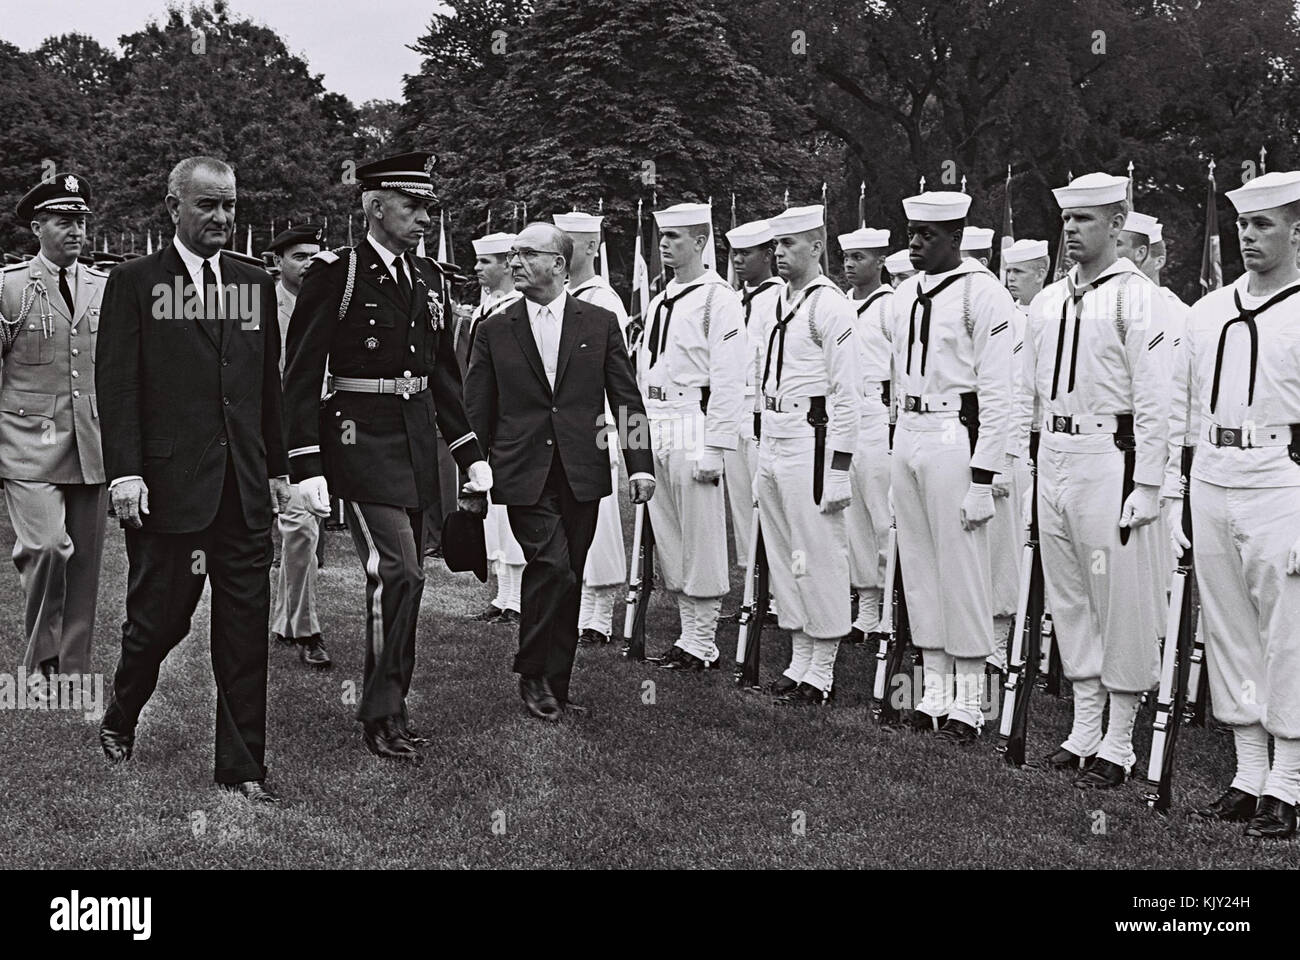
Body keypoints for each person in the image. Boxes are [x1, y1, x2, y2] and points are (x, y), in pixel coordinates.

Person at [283, 152, 492, 763]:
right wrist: (307, 464)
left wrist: (469, 452)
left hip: (413, 443)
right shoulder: (337, 275)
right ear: (374, 206)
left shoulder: (430, 279)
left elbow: (444, 376)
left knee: (412, 577)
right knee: (398, 570)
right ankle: (380, 712)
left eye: (427, 206)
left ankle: (392, 706)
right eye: (412, 205)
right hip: (357, 441)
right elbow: (299, 377)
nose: (425, 217)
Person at [96, 156, 289, 803]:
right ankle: (122, 715)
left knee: (242, 631)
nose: (222, 218)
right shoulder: (135, 282)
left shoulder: (253, 282)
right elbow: (117, 386)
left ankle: (242, 768)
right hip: (171, 492)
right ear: (173, 206)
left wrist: (281, 472)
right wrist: (125, 471)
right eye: (208, 205)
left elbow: (267, 389)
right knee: (158, 624)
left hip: (242, 493)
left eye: (230, 205)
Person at [463, 222, 654, 720]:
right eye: (514, 254)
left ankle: (557, 684)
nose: (516, 262)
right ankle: (532, 671)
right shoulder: (495, 329)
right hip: (521, 470)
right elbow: (477, 408)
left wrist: (640, 466)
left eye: (528, 254)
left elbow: (627, 400)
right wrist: (471, 472)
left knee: (571, 575)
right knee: (553, 565)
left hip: (581, 470)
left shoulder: (598, 322)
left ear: (560, 265)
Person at [1016, 172, 1170, 787]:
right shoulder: (1049, 300)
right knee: (1070, 594)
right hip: (1054, 450)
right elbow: (1026, 388)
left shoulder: (1139, 298)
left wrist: (1150, 483)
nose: (1073, 231)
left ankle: (1121, 740)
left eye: (1085, 220)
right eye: (1067, 220)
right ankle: (1083, 727)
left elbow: (1156, 398)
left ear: (1116, 223)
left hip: (1111, 453)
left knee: (1118, 598)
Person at [1169, 170, 1300, 839]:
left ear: (1297, 231)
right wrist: (1173, 493)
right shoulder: (1207, 312)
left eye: (1264, 225)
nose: (1248, 237)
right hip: (1214, 473)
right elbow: (1181, 410)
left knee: (1288, 634)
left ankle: (1289, 783)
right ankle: (1249, 775)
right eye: (1243, 225)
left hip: (1283, 476)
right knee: (1228, 630)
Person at [885, 190, 1014, 742]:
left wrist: (984, 476)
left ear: (956, 238)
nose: (914, 243)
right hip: (909, 429)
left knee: (961, 570)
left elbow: (1000, 391)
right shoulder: (905, 292)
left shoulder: (982, 295)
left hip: (953, 430)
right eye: (911, 232)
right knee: (919, 562)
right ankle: (933, 690)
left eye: (927, 235)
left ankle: (972, 701)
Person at [0, 174, 108, 689]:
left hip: (90, 442)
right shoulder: (9, 286)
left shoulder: (105, 287)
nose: (76, 231)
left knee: (85, 563)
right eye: (64, 221)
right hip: (25, 445)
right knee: (46, 548)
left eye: (81, 222)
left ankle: (72, 666)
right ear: (37, 227)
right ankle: (43, 653)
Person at [753, 206, 860, 703]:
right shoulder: (773, 301)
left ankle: (823, 669)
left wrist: (840, 467)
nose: (778, 253)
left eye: (789, 244)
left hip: (810, 436)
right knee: (785, 553)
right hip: (773, 432)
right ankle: (799, 657)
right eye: (776, 245)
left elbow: (846, 391)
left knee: (817, 551)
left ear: (816, 248)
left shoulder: (830, 305)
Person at [638, 202, 746, 670]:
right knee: (670, 535)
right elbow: (641, 372)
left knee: (701, 536)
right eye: (664, 236)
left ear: (701, 242)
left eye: (677, 237)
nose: (665, 244)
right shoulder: (660, 299)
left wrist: (716, 447)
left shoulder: (717, 299)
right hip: (659, 419)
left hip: (694, 418)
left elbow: (729, 378)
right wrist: (635, 440)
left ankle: (704, 641)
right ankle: (686, 635)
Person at [553, 211, 629, 646]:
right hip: (566, 423)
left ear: (591, 248)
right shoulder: (562, 295)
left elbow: (618, 375)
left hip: (596, 421)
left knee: (598, 524)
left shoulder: (603, 299)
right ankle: (580, 607)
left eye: (572, 242)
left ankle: (599, 615)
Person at [265, 224, 330, 668]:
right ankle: (295, 625)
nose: (309, 265)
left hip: (309, 432)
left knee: (303, 528)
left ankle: (299, 625)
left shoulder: (329, 300)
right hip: (262, 431)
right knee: (292, 532)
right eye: (300, 256)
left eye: (315, 255)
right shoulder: (259, 304)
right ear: (278, 262)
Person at [986, 238, 1049, 671]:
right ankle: (999, 642)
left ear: (1042, 274)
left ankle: (1039, 641)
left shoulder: (1050, 314)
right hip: (1014, 443)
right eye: (1007, 272)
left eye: (1019, 273)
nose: (1009, 281)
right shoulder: (1006, 318)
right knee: (1004, 547)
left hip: (1045, 443)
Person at [466, 231, 525, 625]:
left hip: (509, 421)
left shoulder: (517, 308)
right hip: (486, 419)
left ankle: (517, 597)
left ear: (507, 264)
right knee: (493, 515)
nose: (477, 268)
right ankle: (502, 594)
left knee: (510, 512)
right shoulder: (483, 310)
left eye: (486, 261)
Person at [838, 226, 893, 646]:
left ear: (880, 262)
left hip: (879, 412)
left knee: (882, 515)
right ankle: (867, 605)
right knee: (852, 514)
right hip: (844, 412)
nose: (851, 265)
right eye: (847, 258)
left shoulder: (891, 306)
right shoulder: (839, 306)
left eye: (860, 258)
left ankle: (891, 605)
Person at [722, 219, 784, 576]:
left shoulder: (779, 297)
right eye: (735, 254)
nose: (739, 261)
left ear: (767, 254)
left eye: (747, 253)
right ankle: (752, 584)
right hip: (735, 408)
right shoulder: (732, 300)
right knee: (742, 503)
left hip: (764, 409)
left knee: (771, 502)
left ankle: (777, 588)